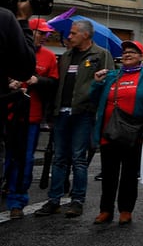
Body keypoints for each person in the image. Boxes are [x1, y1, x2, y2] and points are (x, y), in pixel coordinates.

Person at [36, 18, 114, 218]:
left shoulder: (101, 55)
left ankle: (77, 200)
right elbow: (58, 85)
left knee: (79, 158)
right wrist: (51, 112)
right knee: (59, 158)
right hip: (61, 113)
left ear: (85, 35)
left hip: (84, 113)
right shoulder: (66, 56)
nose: (69, 36)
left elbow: (108, 85)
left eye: (73, 33)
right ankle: (54, 200)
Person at [89, 39, 143, 226]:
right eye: (125, 52)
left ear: (141, 57)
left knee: (129, 175)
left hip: (134, 134)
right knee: (109, 175)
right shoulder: (111, 75)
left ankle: (126, 210)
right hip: (109, 133)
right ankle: (105, 210)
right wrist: (96, 83)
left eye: (132, 52)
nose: (127, 54)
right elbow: (94, 99)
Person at [3, 16, 58, 219]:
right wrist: (8, 84)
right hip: (6, 113)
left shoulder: (49, 57)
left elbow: (54, 84)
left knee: (24, 160)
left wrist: (38, 80)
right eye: (41, 33)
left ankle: (17, 201)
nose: (44, 37)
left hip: (30, 118)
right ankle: (7, 186)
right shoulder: (8, 51)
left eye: (46, 34)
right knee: (7, 158)